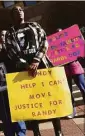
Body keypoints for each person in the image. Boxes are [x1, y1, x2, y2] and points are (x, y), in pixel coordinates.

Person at [4, 6, 64, 136]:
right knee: (30, 103)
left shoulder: (34, 25)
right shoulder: (10, 32)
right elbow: (10, 51)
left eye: (20, 10)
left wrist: (36, 60)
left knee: (50, 98)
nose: (19, 12)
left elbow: (44, 42)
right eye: (15, 11)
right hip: (23, 71)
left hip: (41, 65)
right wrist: (25, 65)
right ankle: (36, 132)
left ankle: (58, 131)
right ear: (12, 16)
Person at [0, 38, 27, 136]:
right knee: (4, 115)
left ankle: (21, 132)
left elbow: (16, 66)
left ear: (1, 44)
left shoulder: (8, 54)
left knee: (16, 112)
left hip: (11, 91)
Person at [57, 28, 85, 118]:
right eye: (58, 34)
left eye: (61, 33)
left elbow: (80, 50)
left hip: (75, 67)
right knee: (68, 92)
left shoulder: (71, 43)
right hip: (64, 70)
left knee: (83, 87)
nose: (60, 35)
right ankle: (72, 111)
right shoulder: (55, 47)